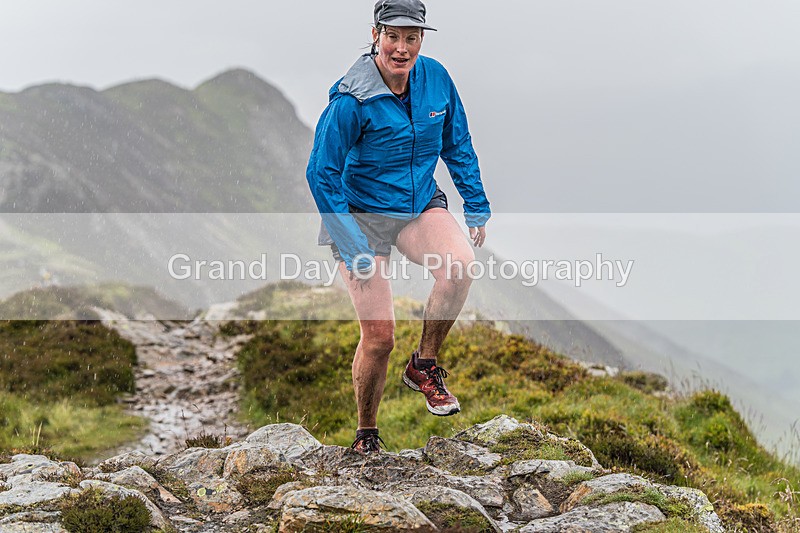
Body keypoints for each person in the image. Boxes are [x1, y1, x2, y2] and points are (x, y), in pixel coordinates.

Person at [306, 0, 491, 455]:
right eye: (393, 36)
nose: (402, 48)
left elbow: (457, 141)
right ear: (375, 35)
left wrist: (476, 204)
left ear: (422, 39)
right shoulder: (352, 99)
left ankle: (424, 366)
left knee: (460, 267)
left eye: (412, 37)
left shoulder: (437, 79)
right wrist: (352, 247)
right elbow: (320, 173)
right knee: (380, 336)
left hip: (416, 204)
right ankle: (365, 433)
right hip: (361, 217)